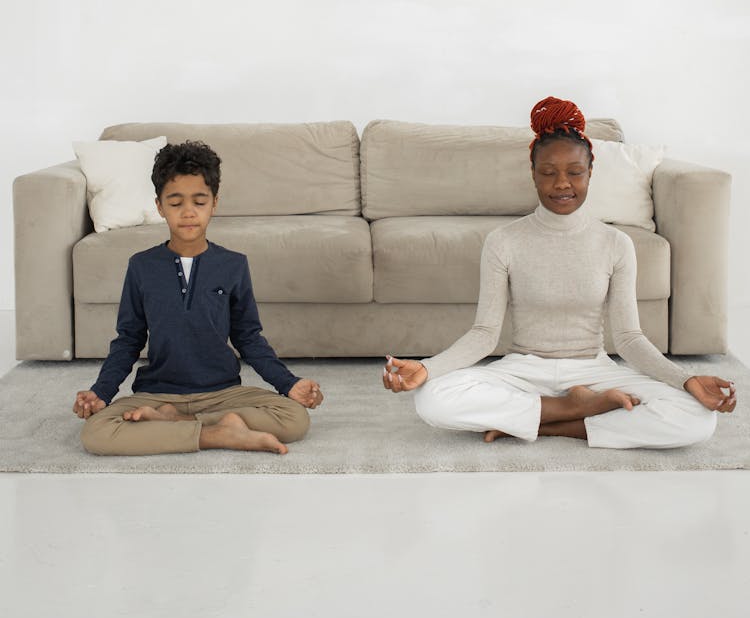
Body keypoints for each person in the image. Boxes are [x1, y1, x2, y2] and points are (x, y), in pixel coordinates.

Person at [382, 97, 736, 449]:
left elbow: (629, 339)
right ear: (533, 174)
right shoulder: (503, 240)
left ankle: (552, 423)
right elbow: (484, 334)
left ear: (590, 173)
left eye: (575, 172)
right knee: (432, 399)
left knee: (697, 419)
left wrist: (686, 380)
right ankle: (568, 409)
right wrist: (427, 369)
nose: (562, 183)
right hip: (523, 370)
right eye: (548, 173)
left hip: (592, 370)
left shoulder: (616, 243)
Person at [74, 140, 323, 456]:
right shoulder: (141, 266)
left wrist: (289, 384)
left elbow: (248, 338)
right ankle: (219, 434)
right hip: (157, 394)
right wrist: (101, 392)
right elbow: (128, 340)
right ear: (160, 206)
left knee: (295, 419)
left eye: (199, 202)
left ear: (214, 203)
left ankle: (175, 423)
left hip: (222, 394)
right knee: (95, 433)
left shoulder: (233, 264)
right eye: (176, 203)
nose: (188, 212)